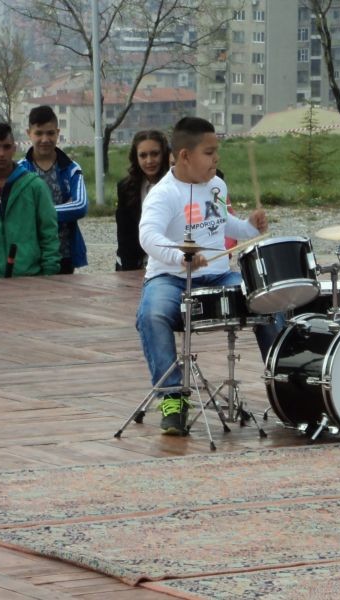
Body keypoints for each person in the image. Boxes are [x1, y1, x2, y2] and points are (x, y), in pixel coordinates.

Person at [136, 116, 282, 435]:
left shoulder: (216, 185)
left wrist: (249, 227)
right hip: (170, 277)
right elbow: (147, 236)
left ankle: (284, 385)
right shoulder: (163, 194)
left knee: (268, 298)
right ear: (185, 156)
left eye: (216, 151)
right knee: (152, 315)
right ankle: (172, 398)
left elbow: (222, 223)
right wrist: (181, 257)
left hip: (217, 276)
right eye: (209, 152)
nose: (216, 158)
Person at [0, 122, 60, 278]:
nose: (1, 153)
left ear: (14, 149)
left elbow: (49, 233)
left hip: (30, 277)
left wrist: (49, 272)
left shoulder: (35, 186)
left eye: (6, 147)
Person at [18, 105, 88, 274]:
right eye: (39, 133)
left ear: (57, 133)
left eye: (50, 133)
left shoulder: (71, 168)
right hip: (30, 255)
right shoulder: (19, 171)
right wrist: (65, 208)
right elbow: (18, 213)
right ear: (29, 134)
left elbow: (80, 206)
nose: (45, 139)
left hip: (64, 255)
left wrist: (38, 212)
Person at [115, 130, 169, 271]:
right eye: (143, 155)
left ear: (164, 154)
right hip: (134, 264)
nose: (149, 161)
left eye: (155, 154)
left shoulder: (177, 184)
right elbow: (124, 234)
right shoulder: (125, 187)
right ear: (135, 157)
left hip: (169, 262)